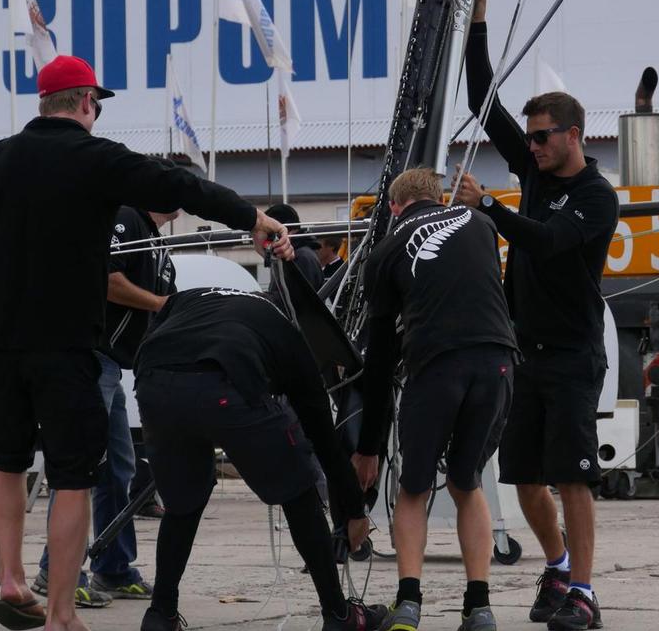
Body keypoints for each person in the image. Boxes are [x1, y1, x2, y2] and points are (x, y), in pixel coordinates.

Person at [0, 54, 292, 631]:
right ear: (87, 102)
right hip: (64, 343)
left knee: (6, 459)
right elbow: (182, 188)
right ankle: (62, 614)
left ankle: (11, 578)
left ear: (44, 103)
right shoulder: (99, 159)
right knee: (73, 474)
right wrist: (251, 217)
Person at [453, 0, 619, 630]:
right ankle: (558, 565)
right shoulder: (537, 172)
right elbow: (481, 101)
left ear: (573, 135)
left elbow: (548, 244)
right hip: (526, 351)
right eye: (531, 139)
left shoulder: (597, 197)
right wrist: (478, 25)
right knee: (524, 477)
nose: (534, 146)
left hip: (576, 353)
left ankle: (585, 589)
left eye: (544, 137)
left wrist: (489, 207)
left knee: (572, 476)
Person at [132, 286, 386, 631]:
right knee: (299, 489)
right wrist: (355, 511)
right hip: (224, 384)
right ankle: (339, 615)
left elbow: (156, 331)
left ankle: (160, 615)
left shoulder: (192, 297)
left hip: (153, 382)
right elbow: (324, 441)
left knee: (182, 502)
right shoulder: (286, 333)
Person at [350, 168, 518, 631]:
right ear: (440, 197)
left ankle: (408, 604)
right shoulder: (480, 224)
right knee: (468, 483)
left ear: (393, 207)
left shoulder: (384, 250)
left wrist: (367, 449)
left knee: (414, 488)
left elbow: (381, 357)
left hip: (437, 366)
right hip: (499, 361)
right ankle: (479, 607)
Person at [32, 202, 180, 606]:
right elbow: (109, 279)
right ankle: (55, 569)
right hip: (91, 357)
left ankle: (113, 567)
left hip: (116, 365)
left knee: (119, 468)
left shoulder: (159, 244)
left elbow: (166, 307)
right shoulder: (126, 217)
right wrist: (159, 303)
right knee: (79, 466)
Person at [266, 203, 324, 290]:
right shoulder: (300, 254)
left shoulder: (300, 257)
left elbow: (296, 298)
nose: (269, 239)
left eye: (270, 232)